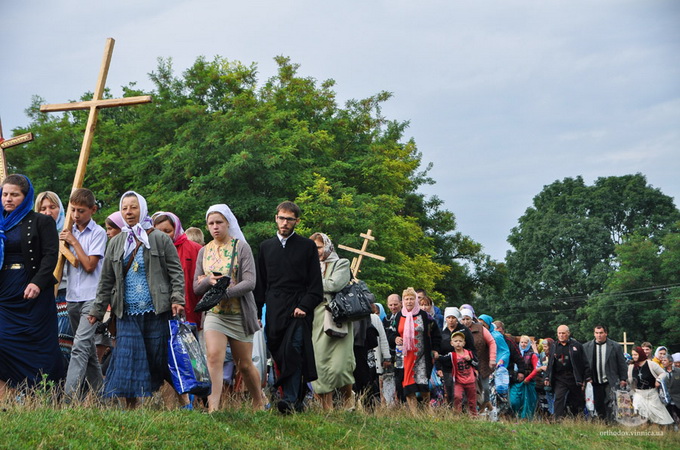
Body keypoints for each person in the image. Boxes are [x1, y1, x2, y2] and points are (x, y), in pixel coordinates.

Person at [88, 191, 185, 408]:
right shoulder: (116, 242)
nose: (129, 212)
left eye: (133, 207)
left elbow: (176, 272)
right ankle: (131, 408)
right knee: (127, 360)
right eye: (125, 208)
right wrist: (97, 310)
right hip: (126, 312)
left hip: (156, 310)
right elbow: (106, 280)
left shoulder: (159, 238)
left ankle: (184, 401)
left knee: (159, 359)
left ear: (142, 208)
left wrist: (177, 299)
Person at [193, 204, 266, 412]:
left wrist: (226, 291)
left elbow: (251, 282)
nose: (215, 227)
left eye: (219, 222)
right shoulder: (204, 251)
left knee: (244, 364)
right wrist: (209, 281)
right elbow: (196, 287)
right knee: (213, 357)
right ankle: (213, 408)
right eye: (211, 223)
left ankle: (258, 401)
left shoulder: (241, 247)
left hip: (239, 314)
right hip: (215, 314)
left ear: (228, 223)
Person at [254, 201, 323, 414]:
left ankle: (290, 400)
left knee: (293, 350)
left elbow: (315, 285)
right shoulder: (266, 247)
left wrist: (304, 305)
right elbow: (260, 284)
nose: (285, 223)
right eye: (281, 218)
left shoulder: (307, 246)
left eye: (289, 219)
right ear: (276, 218)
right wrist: (257, 312)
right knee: (278, 353)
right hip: (274, 310)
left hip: (298, 308)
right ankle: (297, 398)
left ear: (297, 221)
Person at [0, 174, 64, 397]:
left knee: (39, 345)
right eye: (5, 194)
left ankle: (44, 392)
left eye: (14, 195)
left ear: (26, 197)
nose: (8, 199)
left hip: (33, 291)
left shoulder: (41, 221)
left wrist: (37, 282)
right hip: (5, 291)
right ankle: (10, 391)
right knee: (3, 339)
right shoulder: (0, 222)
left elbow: (50, 256)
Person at [60, 188, 107, 400]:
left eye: (81, 211)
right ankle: (101, 397)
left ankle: (69, 399)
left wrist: (74, 242)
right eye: (73, 210)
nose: (76, 215)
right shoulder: (67, 230)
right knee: (88, 353)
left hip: (92, 298)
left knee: (79, 347)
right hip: (72, 297)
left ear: (93, 210)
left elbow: (89, 265)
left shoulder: (98, 233)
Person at [308, 232, 354, 411]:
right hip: (315, 320)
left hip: (337, 318)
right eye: (313, 248)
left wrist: (311, 282)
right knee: (318, 365)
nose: (316, 251)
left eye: (319, 247)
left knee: (340, 366)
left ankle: (348, 400)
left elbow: (335, 284)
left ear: (327, 246)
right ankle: (327, 409)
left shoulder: (341, 263)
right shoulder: (307, 266)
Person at [387, 287, 441, 412]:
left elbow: (435, 333)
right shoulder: (399, 316)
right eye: (406, 299)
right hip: (404, 357)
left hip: (421, 356)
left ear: (416, 300)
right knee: (408, 385)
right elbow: (391, 333)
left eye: (412, 299)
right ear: (403, 301)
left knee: (422, 385)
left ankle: (427, 411)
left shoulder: (424, 316)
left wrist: (435, 349)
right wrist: (395, 339)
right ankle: (414, 414)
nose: (409, 301)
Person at [34, 190, 72, 364]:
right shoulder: (32, 237)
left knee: (64, 342)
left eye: (52, 207)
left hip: (66, 294)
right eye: (43, 208)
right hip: (41, 296)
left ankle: (68, 386)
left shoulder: (70, 234)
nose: (48, 212)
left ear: (61, 209)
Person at [153, 211, 203, 330]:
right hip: (159, 312)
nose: (163, 236)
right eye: (158, 232)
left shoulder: (195, 249)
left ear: (176, 229)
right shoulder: (149, 251)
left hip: (190, 309)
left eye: (167, 231)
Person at [582, 325, 628, 422]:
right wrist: (586, 377)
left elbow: (621, 363)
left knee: (611, 402)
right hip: (595, 380)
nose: (599, 335)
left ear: (606, 333)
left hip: (610, 380)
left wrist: (623, 378)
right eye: (597, 333)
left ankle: (612, 422)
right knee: (598, 403)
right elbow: (584, 364)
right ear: (594, 334)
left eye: (601, 333)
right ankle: (602, 422)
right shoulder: (586, 347)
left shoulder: (615, 346)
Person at [544, 325, 591, 419]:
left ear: (568, 333)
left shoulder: (577, 346)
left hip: (574, 378)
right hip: (559, 378)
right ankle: (557, 420)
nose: (561, 335)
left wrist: (587, 377)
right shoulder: (554, 346)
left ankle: (578, 419)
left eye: (563, 333)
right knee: (558, 398)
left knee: (577, 401)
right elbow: (550, 363)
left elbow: (584, 362)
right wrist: (547, 377)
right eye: (559, 333)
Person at [460, 308, 496, 412]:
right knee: (470, 388)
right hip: (466, 364)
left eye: (468, 319)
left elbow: (491, 342)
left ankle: (486, 402)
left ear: (472, 319)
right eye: (463, 319)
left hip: (482, 362)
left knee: (485, 387)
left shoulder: (480, 328)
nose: (466, 322)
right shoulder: (458, 329)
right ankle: (472, 410)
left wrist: (492, 359)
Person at [628, 346, 674, 425]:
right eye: (632, 355)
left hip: (651, 393)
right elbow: (630, 379)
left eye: (635, 355)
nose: (633, 357)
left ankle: (657, 429)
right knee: (641, 412)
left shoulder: (651, 364)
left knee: (656, 414)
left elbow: (663, 373)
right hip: (639, 393)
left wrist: (658, 380)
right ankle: (644, 429)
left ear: (640, 354)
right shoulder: (631, 366)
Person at [438, 331, 478, 415]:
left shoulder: (469, 353)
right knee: (457, 396)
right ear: (451, 343)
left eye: (460, 341)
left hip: (470, 380)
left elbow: (476, 363)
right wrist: (435, 355)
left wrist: (470, 360)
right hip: (458, 381)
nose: (458, 343)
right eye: (456, 341)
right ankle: (457, 414)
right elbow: (442, 359)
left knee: (472, 399)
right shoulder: (452, 355)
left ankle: (474, 415)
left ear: (464, 343)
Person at [510, 336, 539, 419]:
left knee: (527, 403)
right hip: (516, 382)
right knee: (514, 401)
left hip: (528, 383)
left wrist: (528, 378)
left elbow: (536, 369)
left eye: (525, 342)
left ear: (528, 344)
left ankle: (526, 419)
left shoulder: (532, 355)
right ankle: (516, 416)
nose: (523, 344)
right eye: (522, 342)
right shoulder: (515, 354)